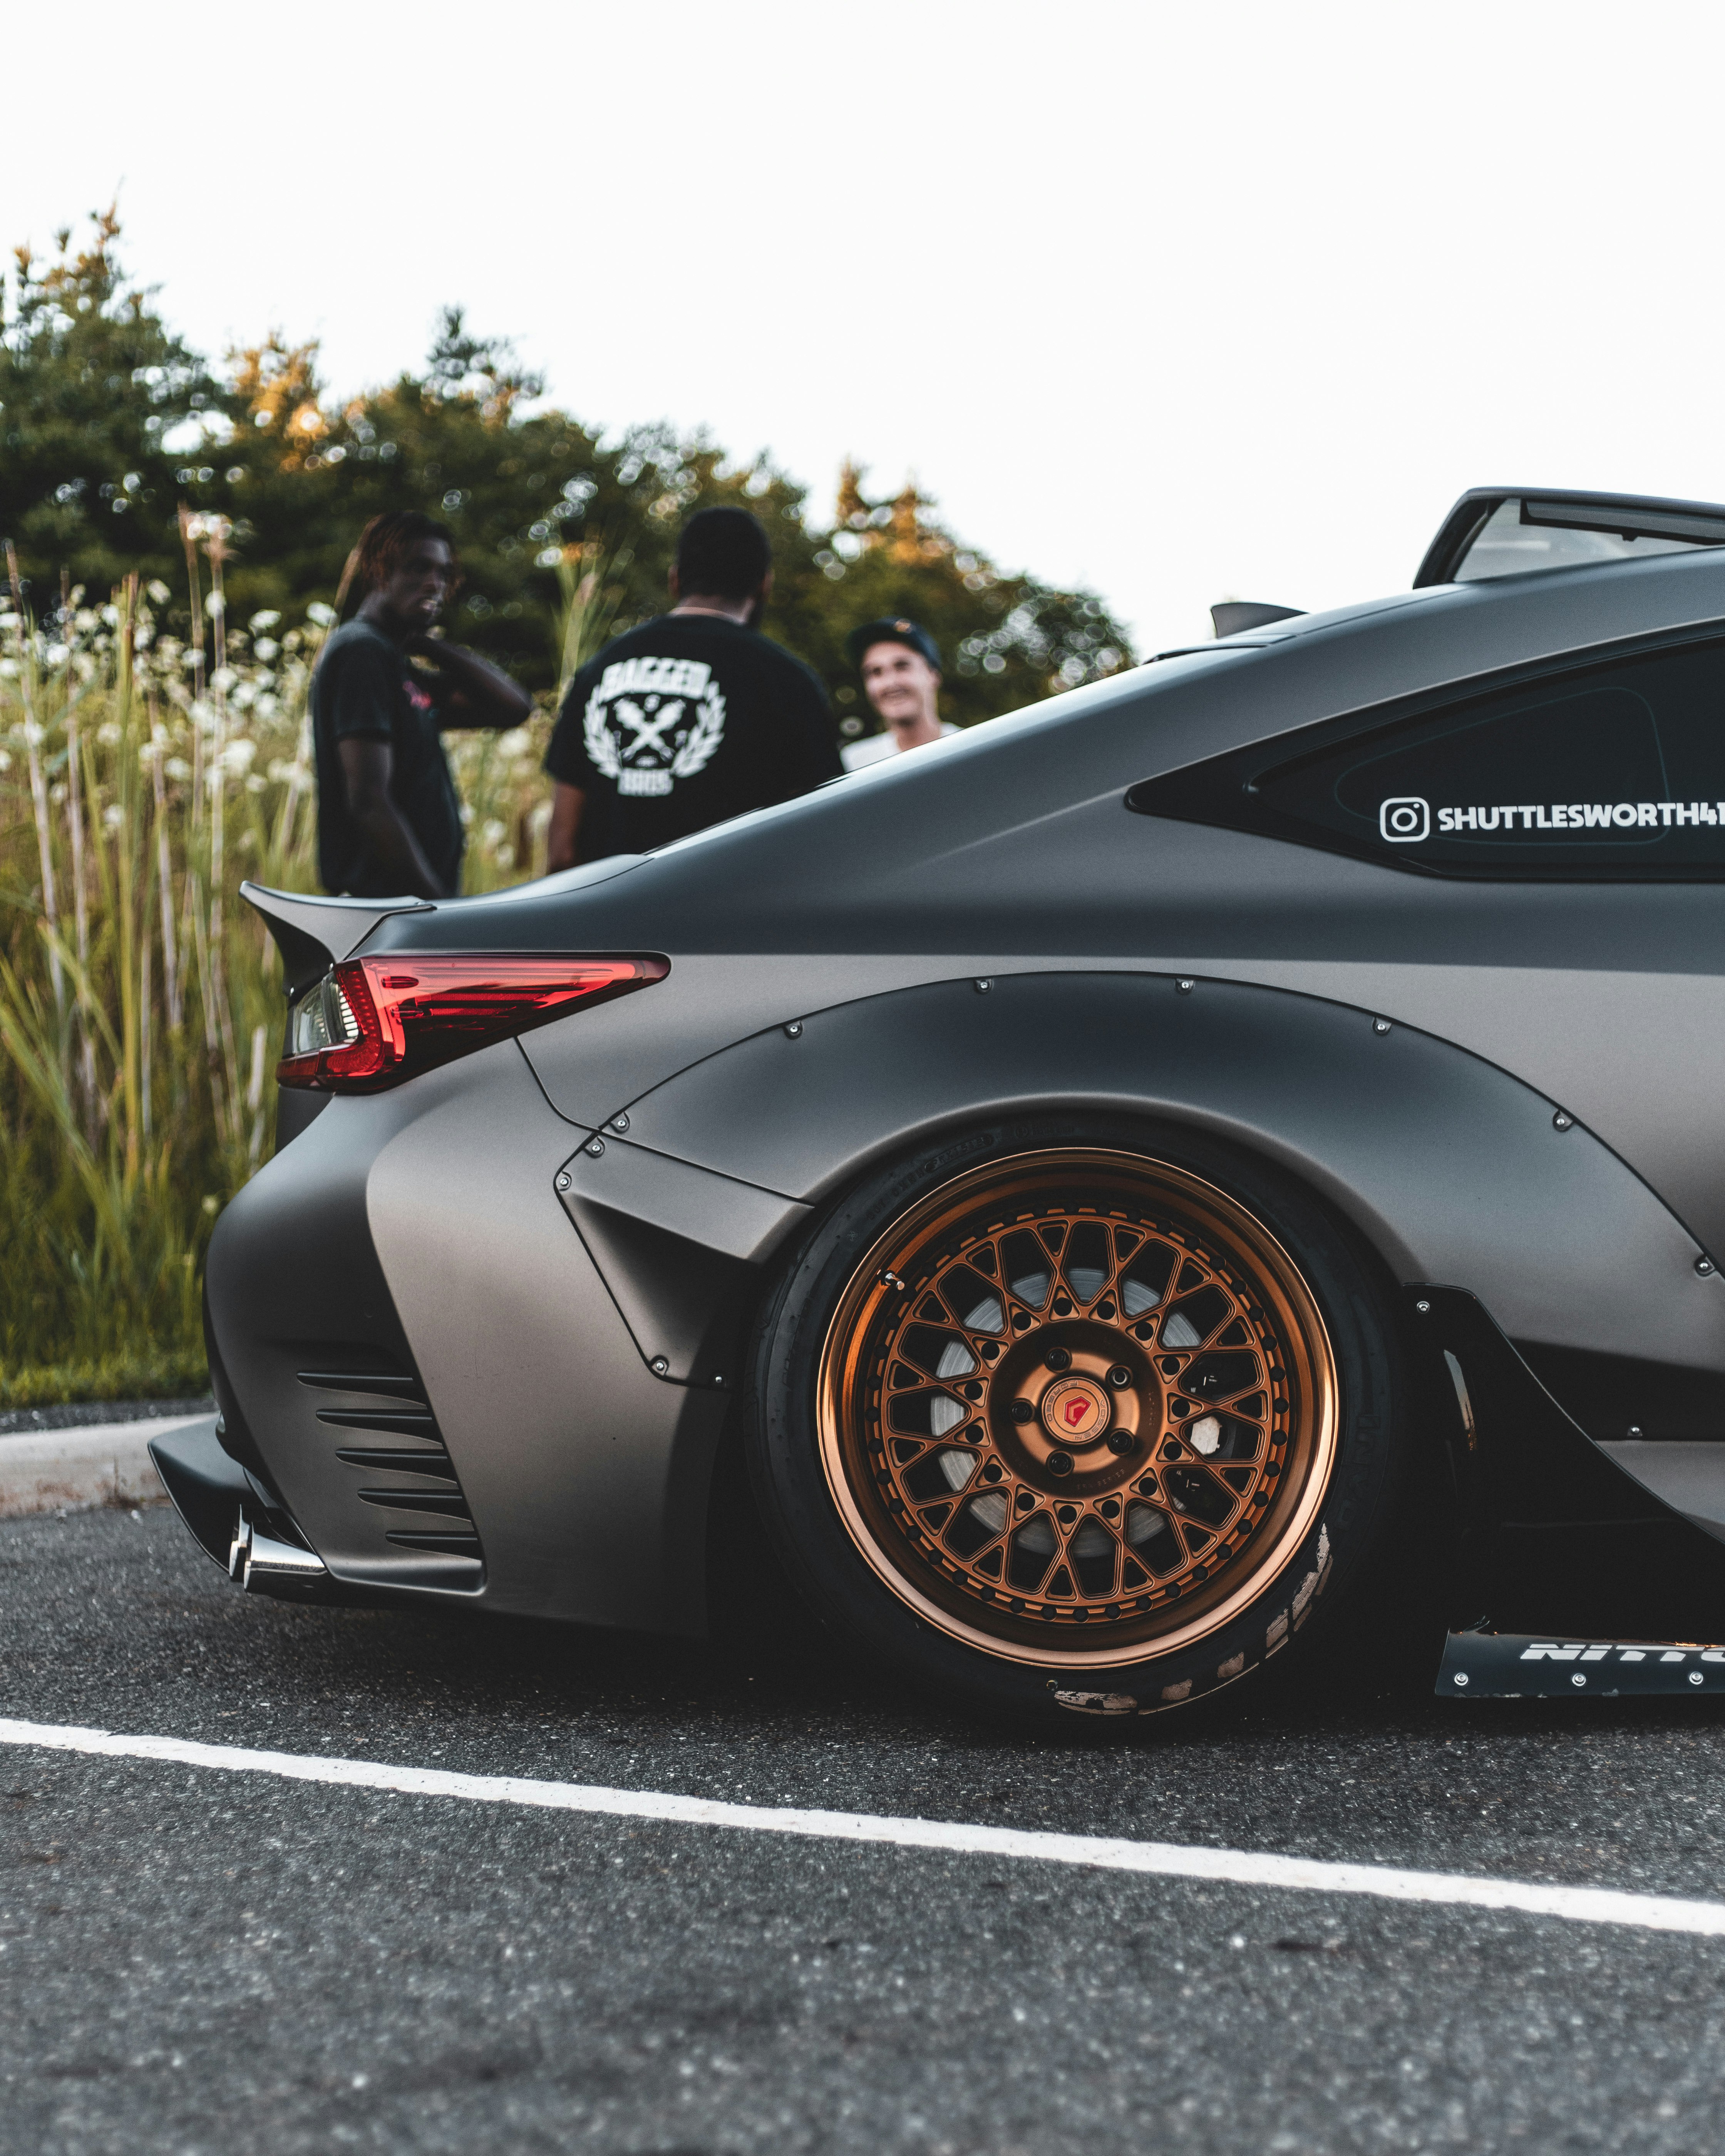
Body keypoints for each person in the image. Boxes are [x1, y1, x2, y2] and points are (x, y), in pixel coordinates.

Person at [544, 506, 840, 868]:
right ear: (765, 584)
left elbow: (562, 852)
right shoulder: (788, 682)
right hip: (731, 920)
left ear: (675, 580)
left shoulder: (598, 672)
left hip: (607, 921)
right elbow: (822, 840)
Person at [312, 511, 532, 899]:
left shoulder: (398, 666)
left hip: (406, 907)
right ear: (379, 573)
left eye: (444, 574)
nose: (435, 584)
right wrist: (435, 907)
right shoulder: (361, 653)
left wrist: (425, 642)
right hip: (384, 908)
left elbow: (513, 708)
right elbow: (369, 800)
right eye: (418, 568)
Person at [841, 616, 958, 770]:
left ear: (933, 676)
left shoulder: (974, 748)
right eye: (876, 672)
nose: (890, 683)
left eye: (902, 666)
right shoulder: (854, 763)